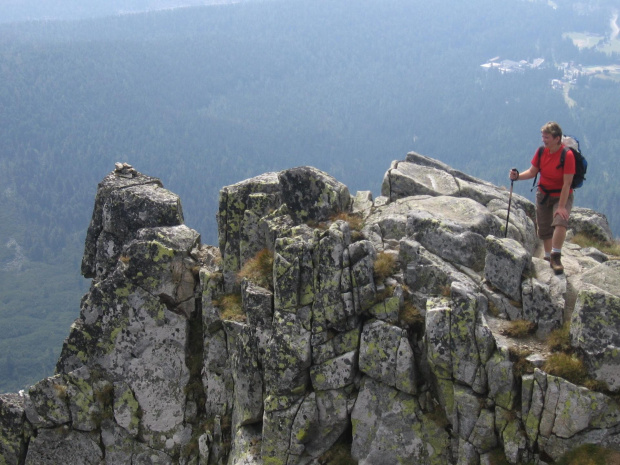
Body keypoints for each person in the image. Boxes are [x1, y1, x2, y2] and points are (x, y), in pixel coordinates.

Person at [509, 121, 575, 274]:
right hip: (544, 194)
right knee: (544, 228)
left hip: (562, 195)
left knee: (560, 222)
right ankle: (547, 258)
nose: (544, 140)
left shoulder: (567, 155)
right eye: (543, 137)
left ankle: (556, 255)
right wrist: (517, 177)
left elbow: (567, 184)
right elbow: (533, 172)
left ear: (557, 138)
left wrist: (561, 206)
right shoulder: (541, 152)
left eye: (547, 138)